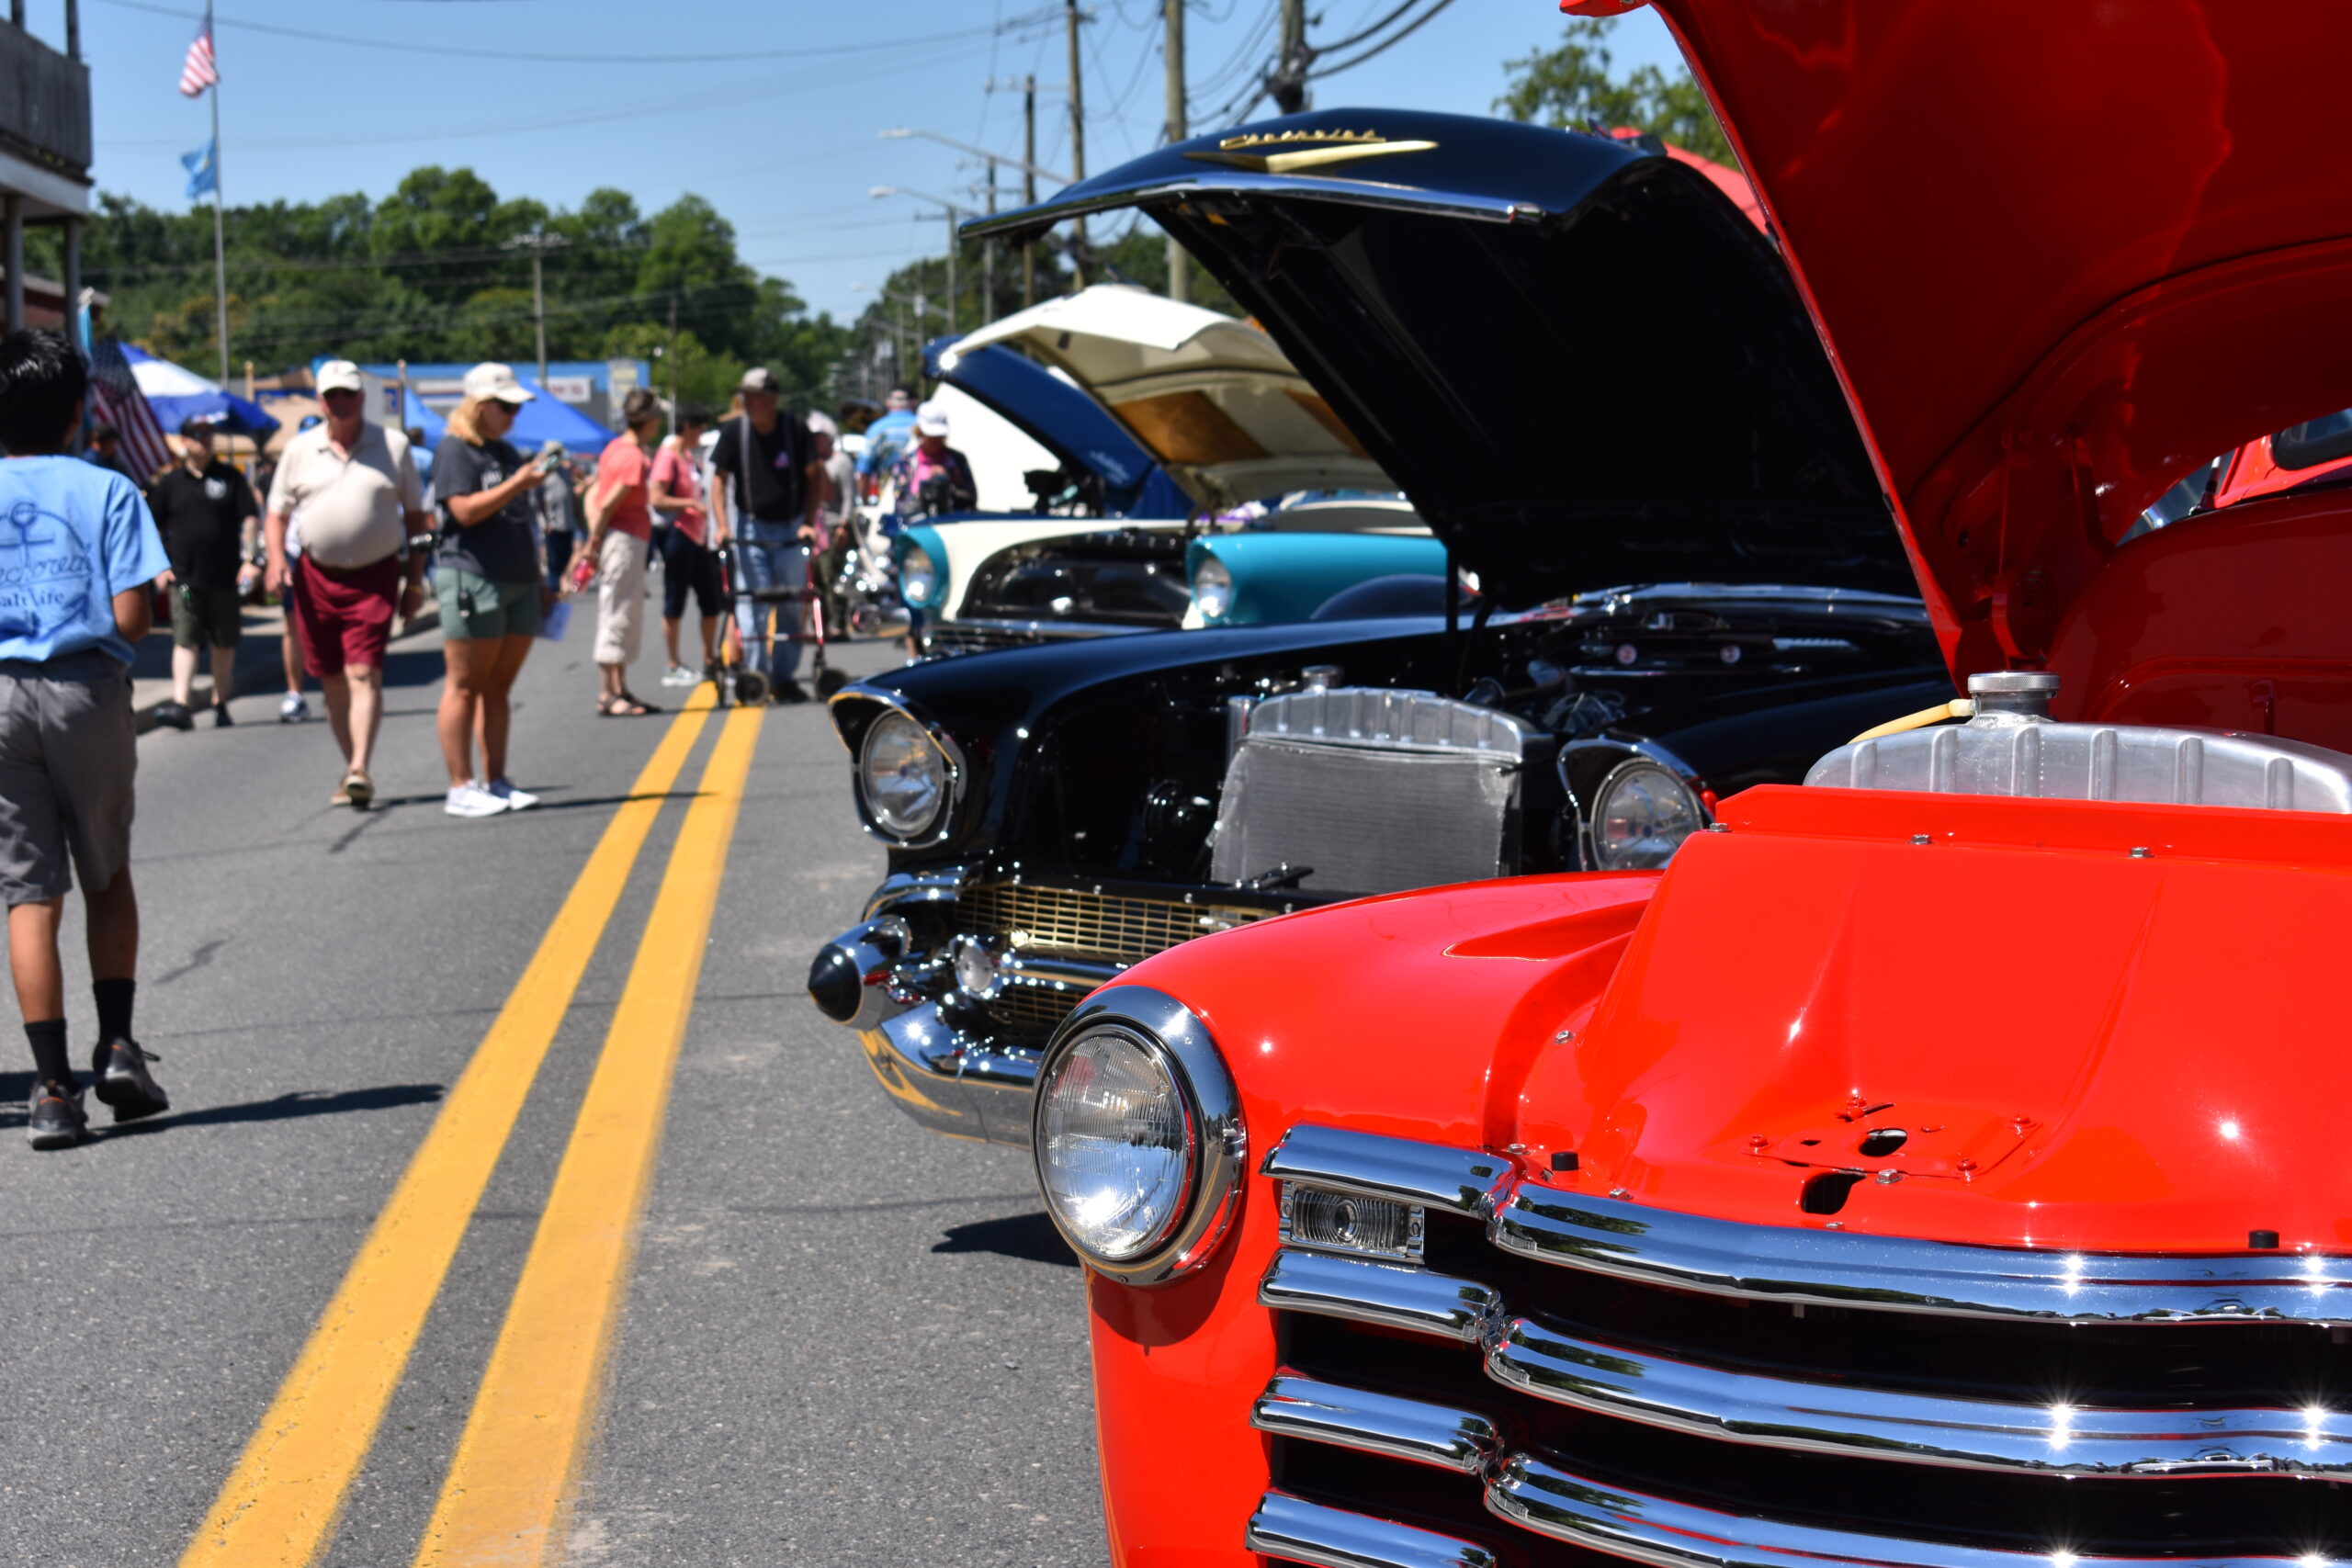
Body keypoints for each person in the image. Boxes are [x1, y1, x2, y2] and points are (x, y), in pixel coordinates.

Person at [0, 329, 174, 1150]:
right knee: (105, 869)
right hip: (83, 687)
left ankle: (49, 1089)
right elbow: (136, 620)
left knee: (28, 891)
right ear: (77, 412)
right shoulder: (108, 490)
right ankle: (116, 1048)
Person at [265, 361, 428, 809]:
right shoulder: (300, 449)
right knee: (332, 680)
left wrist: (414, 583)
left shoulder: (392, 446)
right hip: (315, 576)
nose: (341, 403)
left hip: (375, 574)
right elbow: (276, 513)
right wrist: (276, 560)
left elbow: (417, 517)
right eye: (332, 395)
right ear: (321, 401)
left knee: (364, 672)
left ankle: (359, 766)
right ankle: (351, 767)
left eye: (348, 395)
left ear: (362, 398)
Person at [432, 363, 555, 818]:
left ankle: (497, 780)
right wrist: (517, 482)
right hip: (473, 576)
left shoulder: (505, 451)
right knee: (464, 685)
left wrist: (541, 581)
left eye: (515, 408)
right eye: (505, 407)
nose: (512, 416)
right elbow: (462, 512)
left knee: (499, 686)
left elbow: (525, 522)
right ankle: (460, 786)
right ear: (479, 406)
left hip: (518, 578)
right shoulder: (455, 450)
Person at [707, 367, 824, 701]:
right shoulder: (734, 432)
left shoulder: (794, 429)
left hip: (790, 525)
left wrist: (808, 521)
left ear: (771, 399)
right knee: (752, 602)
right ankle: (757, 676)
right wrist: (723, 526)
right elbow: (718, 482)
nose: (745, 401)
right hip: (750, 526)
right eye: (744, 395)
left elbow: (814, 476)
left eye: (752, 396)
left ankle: (783, 677)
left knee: (791, 602)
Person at [146, 418, 258, 731]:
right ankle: (182, 704)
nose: (204, 440)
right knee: (185, 637)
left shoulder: (230, 478)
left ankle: (220, 702)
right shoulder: (170, 483)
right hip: (184, 581)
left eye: (209, 435)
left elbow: (249, 518)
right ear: (184, 441)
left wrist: (250, 558)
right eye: (197, 435)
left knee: (224, 641)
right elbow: (151, 527)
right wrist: (160, 566)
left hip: (224, 579)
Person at [584, 388, 664, 716]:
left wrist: (595, 534)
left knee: (625, 611)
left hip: (623, 537)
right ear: (648, 420)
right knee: (618, 611)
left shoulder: (615, 448)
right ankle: (607, 692)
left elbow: (593, 494)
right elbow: (609, 500)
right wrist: (595, 538)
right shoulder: (632, 456)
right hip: (624, 539)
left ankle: (619, 687)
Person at [651, 402, 721, 687]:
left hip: (698, 536)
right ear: (688, 427)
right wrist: (689, 503)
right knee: (674, 600)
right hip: (678, 534)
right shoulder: (667, 456)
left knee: (711, 601)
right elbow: (656, 497)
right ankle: (673, 663)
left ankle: (709, 659)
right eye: (700, 429)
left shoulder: (689, 458)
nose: (702, 435)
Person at [808, 412, 859, 638]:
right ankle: (821, 624)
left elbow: (849, 496)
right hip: (812, 525)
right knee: (814, 579)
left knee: (831, 577)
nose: (817, 441)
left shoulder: (841, 461)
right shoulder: (809, 461)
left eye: (820, 437)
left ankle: (838, 623)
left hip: (831, 524)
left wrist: (843, 524)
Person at [856, 386, 918, 481]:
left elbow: (864, 468)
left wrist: (863, 496)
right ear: (913, 402)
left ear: (887, 402)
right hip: (919, 488)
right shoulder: (923, 428)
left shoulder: (876, 429)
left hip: (886, 491)